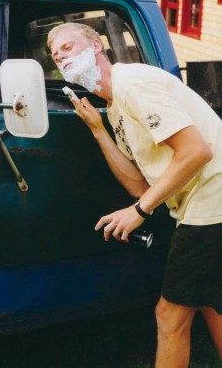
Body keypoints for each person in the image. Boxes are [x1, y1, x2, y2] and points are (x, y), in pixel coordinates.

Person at [47, 22, 222, 368]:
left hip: (212, 196)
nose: (61, 58)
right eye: (55, 55)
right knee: (210, 303)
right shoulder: (114, 107)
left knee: (169, 315)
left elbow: (196, 152)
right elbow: (140, 186)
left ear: (96, 45)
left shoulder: (132, 83)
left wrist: (138, 212)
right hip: (195, 202)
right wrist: (99, 132)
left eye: (68, 47)